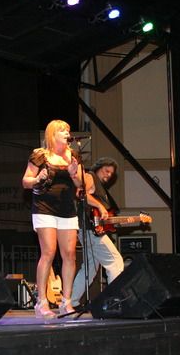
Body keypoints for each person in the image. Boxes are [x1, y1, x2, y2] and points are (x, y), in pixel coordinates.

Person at [22, 119, 82, 318]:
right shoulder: (40, 155)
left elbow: (80, 184)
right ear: (52, 134)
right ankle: (42, 302)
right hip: (44, 208)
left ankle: (66, 302)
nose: (67, 133)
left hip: (67, 209)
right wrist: (37, 179)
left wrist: (74, 174)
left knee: (70, 254)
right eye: (62, 130)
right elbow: (26, 181)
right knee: (48, 251)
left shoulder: (73, 156)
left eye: (68, 130)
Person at [71, 157, 124, 310]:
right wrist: (100, 206)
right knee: (115, 262)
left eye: (111, 174)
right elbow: (81, 193)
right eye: (106, 171)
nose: (108, 175)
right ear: (98, 168)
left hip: (87, 230)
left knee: (90, 267)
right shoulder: (90, 177)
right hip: (90, 230)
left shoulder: (101, 188)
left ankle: (72, 301)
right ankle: (114, 301)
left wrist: (111, 220)